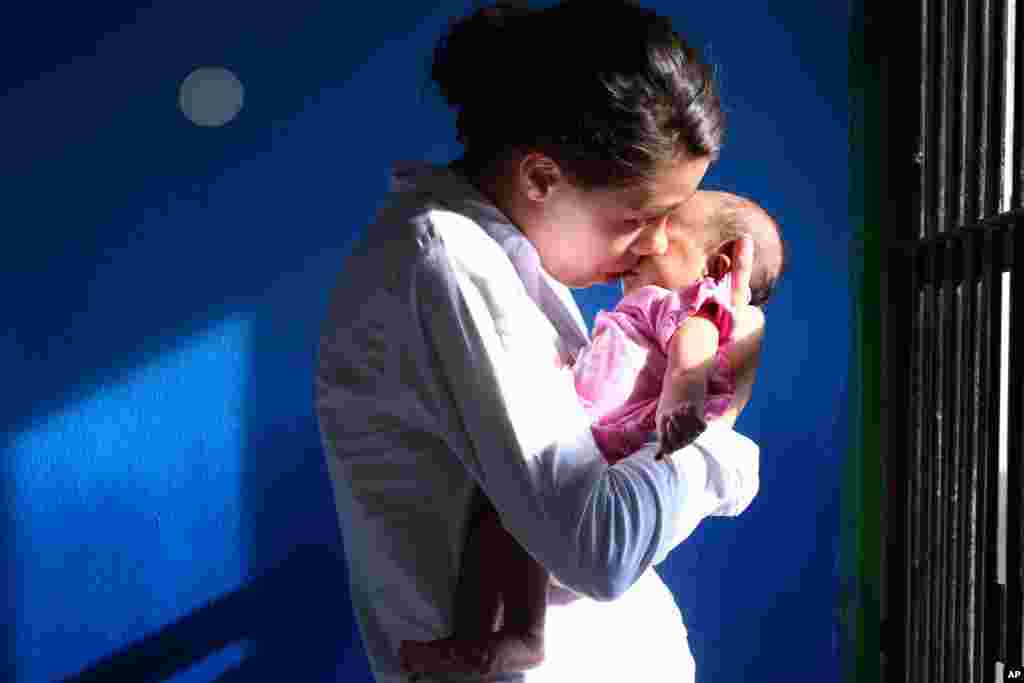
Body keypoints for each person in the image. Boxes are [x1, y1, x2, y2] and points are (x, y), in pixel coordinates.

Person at [314, 2, 767, 681]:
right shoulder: (453, 266)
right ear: (540, 178)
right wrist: (720, 439)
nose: (655, 245)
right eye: (638, 218)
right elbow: (600, 547)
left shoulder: (507, 265)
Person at [396, 191, 785, 677]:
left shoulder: (691, 306)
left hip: (613, 452)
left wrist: (681, 400)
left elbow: (695, 345)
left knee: (498, 526)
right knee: (496, 526)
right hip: (595, 453)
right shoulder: (644, 308)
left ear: (719, 264)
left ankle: (502, 634)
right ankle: (501, 637)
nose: (648, 240)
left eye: (667, 228)